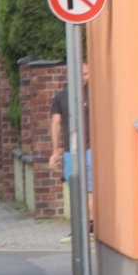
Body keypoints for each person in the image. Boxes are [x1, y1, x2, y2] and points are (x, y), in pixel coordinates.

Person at [49, 60, 93, 199]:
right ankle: (80, 220)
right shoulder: (61, 97)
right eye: (81, 74)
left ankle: (90, 221)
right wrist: (55, 151)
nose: (84, 77)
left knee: (90, 190)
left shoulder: (94, 94)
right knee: (74, 187)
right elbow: (55, 123)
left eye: (86, 74)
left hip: (90, 149)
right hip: (70, 151)